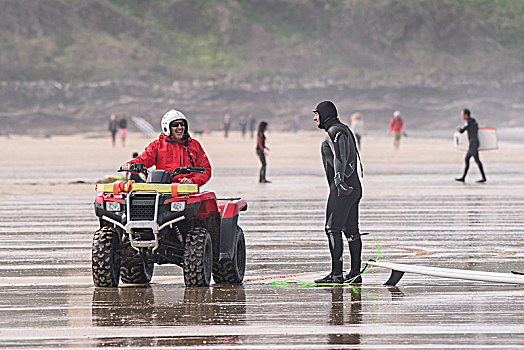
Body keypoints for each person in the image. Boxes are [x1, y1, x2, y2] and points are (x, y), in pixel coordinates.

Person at [313, 101, 363, 284]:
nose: (314, 118)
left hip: (342, 188)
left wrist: (339, 181)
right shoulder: (344, 129)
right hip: (354, 187)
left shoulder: (335, 131)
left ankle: (336, 274)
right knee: (351, 231)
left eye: (316, 114)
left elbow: (340, 157)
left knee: (332, 228)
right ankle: (355, 274)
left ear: (325, 114)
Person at [120, 109, 212, 186]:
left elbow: (206, 169)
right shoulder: (157, 145)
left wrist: (192, 181)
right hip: (164, 191)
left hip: (188, 193)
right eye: (175, 125)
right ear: (167, 127)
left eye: (182, 124)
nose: (180, 127)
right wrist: (130, 165)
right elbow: (144, 159)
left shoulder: (194, 145)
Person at [455, 108, 487, 183]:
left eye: (462, 115)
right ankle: (464, 177)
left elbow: (462, 131)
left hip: (473, 144)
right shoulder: (474, 121)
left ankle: (482, 177)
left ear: (466, 115)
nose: (462, 116)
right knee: (470, 160)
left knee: (474, 160)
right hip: (475, 143)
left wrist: (459, 128)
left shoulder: (468, 122)